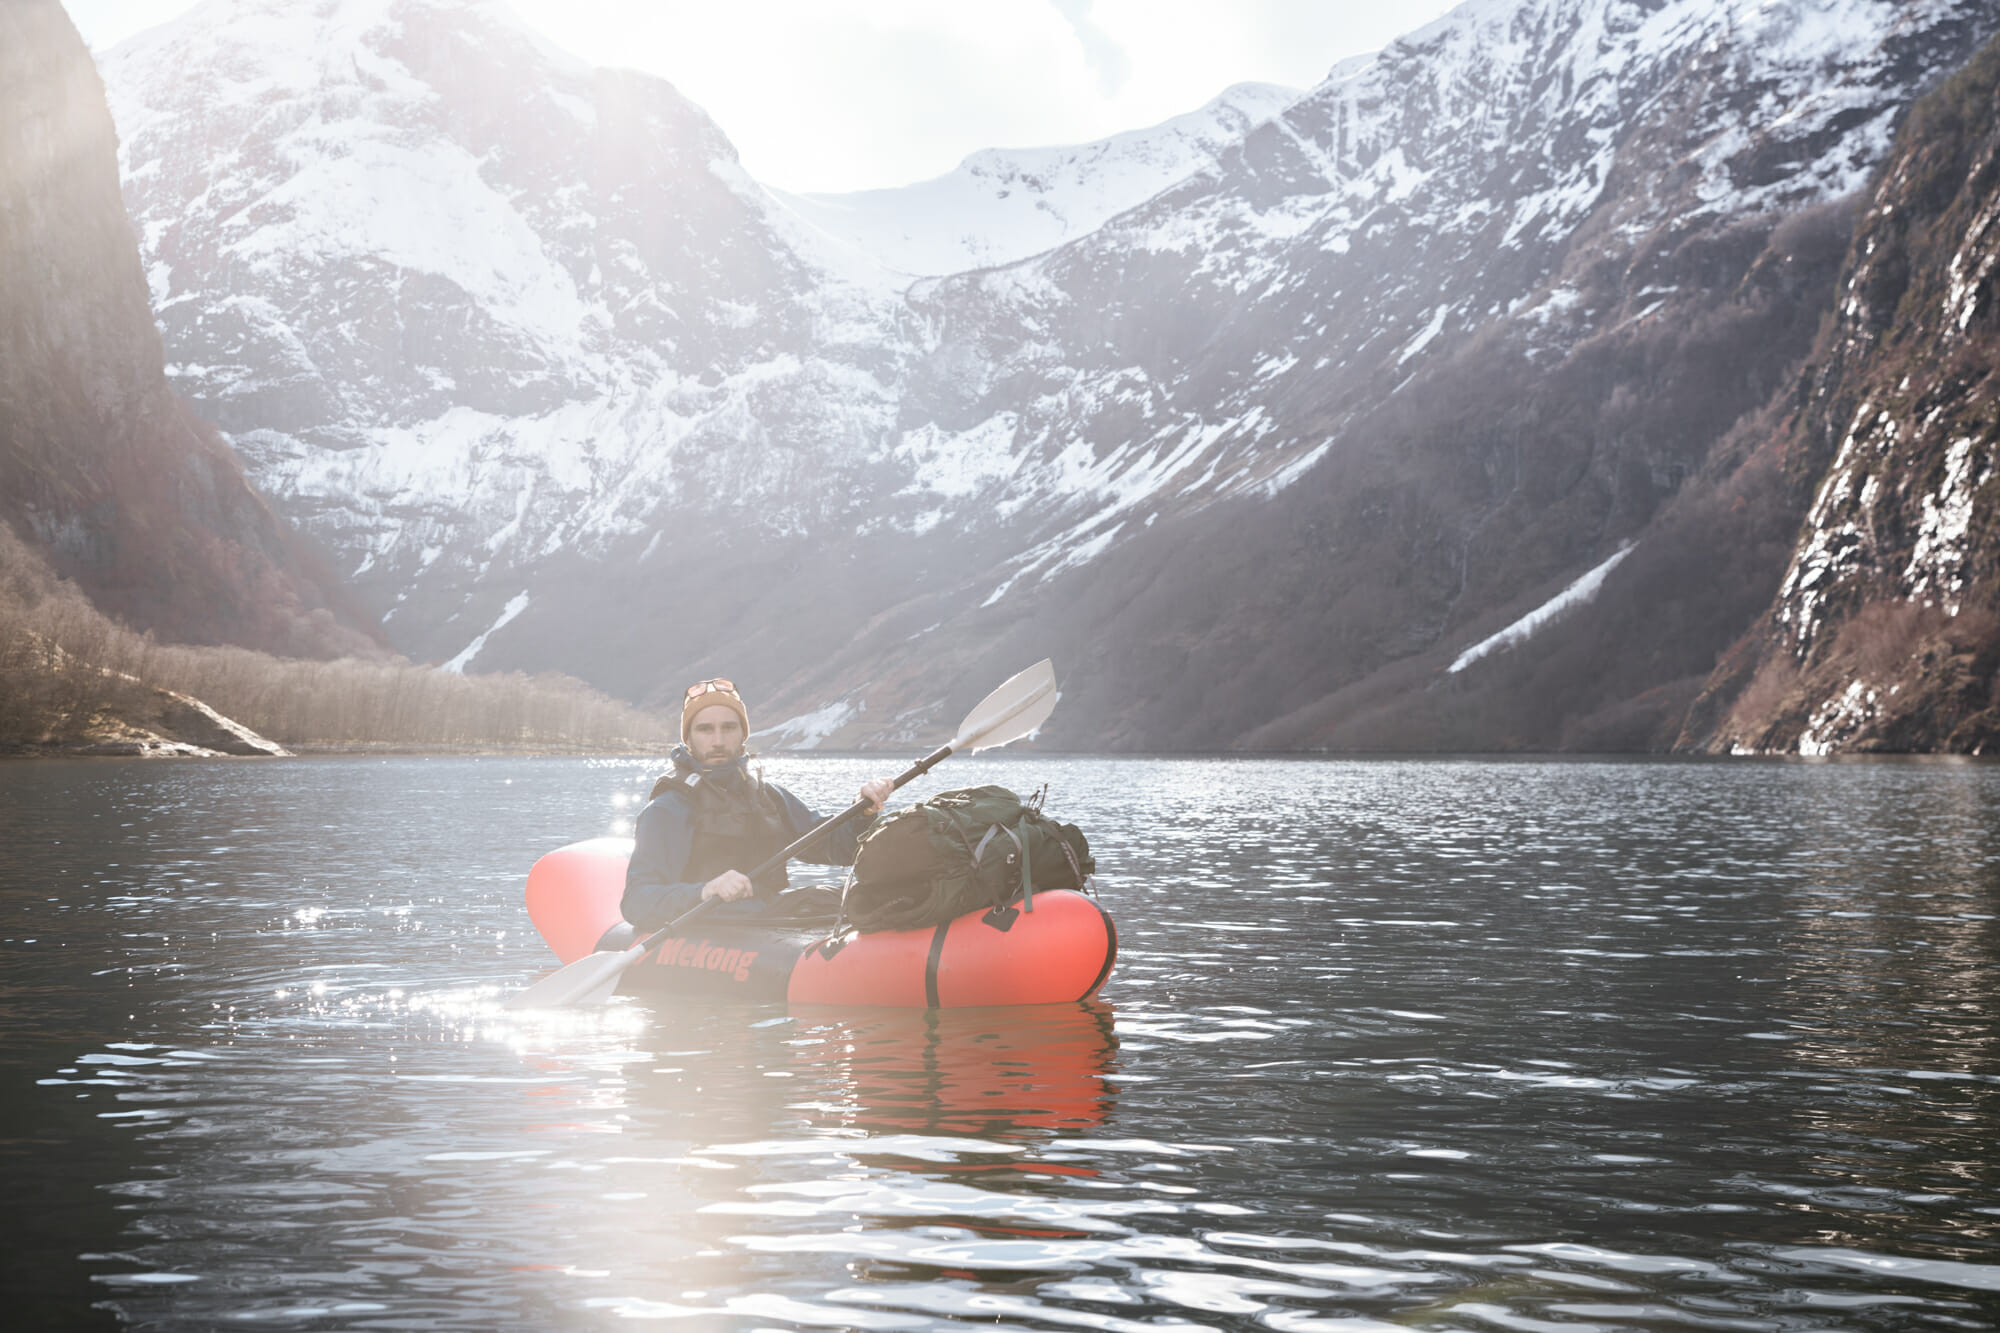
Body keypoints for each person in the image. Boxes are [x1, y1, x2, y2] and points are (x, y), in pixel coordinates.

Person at [620, 678, 895, 931]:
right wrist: (705, 890)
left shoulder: (768, 797)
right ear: (688, 739)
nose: (718, 740)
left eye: (728, 728)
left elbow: (839, 850)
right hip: (708, 929)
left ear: (743, 735)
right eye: (705, 729)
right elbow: (636, 901)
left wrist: (863, 811)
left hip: (766, 921)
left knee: (860, 897)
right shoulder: (668, 809)